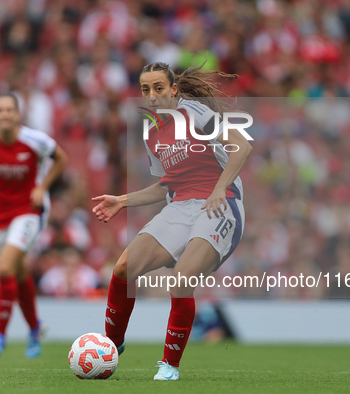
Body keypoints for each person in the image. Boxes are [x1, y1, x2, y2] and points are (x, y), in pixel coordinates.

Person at [91, 62, 252, 380]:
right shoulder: (151, 130)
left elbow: (242, 147)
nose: (152, 96)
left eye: (159, 88)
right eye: (145, 90)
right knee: (124, 268)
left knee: (181, 280)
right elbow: (166, 184)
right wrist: (122, 201)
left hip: (221, 205)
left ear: (174, 89)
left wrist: (220, 189)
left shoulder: (195, 113)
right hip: (180, 206)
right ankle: (111, 345)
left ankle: (169, 366)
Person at [0, 93, 67, 357]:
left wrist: (42, 187)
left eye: (10, 110)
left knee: (4, 266)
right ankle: (35, 330)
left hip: (30, 210)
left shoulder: (35, 140)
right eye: (0, 110)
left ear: (18, 114)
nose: (5, 114)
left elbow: (61, 158)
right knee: (17, 274)